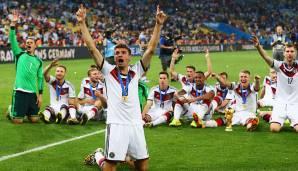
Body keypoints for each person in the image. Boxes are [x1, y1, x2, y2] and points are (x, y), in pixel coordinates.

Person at [76, 4, 167, 170]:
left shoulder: (137, 70)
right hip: (116, 124)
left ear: (129, 57)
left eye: (123, 53)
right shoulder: (108, 70)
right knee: (110, 167)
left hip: (135, 124)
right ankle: (98, 156)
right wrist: (82, 23)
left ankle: (115, 156)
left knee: (142, 167)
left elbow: (152, 49)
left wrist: (158, 25)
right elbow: (91, 47)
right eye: (117, 53)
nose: (119, 55)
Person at [252, 35, 298, 132]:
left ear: (295, 53)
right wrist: (258, 46)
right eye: (287, 51)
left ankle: (271, 114)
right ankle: (272, 115)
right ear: (284, 54)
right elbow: (266, 57)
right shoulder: (279, 66)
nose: (289, 53)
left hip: (294, 104)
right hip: (280, 104)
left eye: (292, 51)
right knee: (274, 129)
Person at [8, 10, 43, 124]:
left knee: (35, 120)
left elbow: (40, 78)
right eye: (27, 42)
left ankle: (26, 112)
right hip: (19, 91)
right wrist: (13, 24)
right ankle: (10, 110)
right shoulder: (19, 54)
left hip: (32, 94)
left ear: (34, 46)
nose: (28, 44)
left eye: (30, 42)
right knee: (18, 121)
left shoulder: (39, 61)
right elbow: (12, 39)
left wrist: (40, 95)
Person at [39, 59, 78, 124]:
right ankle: (45, 117)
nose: (59, 73)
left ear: (65, 73)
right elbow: (44, 74)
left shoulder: (69, 86)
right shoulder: (52, 81)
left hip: (64, 108)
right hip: (53, 108)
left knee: (64, 108)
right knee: (48, 109)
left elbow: (71, 102)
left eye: (61, 71)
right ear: (55, 73)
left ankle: (60, 117)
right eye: (57, 71)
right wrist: (50, 66)